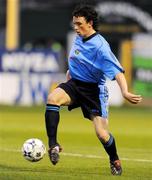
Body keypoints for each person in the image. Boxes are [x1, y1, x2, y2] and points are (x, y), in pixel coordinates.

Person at [45, 5, 142, 175]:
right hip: (75, 84)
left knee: (102, 134)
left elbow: (118, 73)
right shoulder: (79, 37)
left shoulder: (101, 47)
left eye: (79, 24)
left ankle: (114, 159)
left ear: (90, 23)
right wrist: (70, 72)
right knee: (53, 98)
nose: (75, 27)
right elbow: (78, 59)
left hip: (93, 91)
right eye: (74, 23)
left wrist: (125, 92)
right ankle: (53, 145)